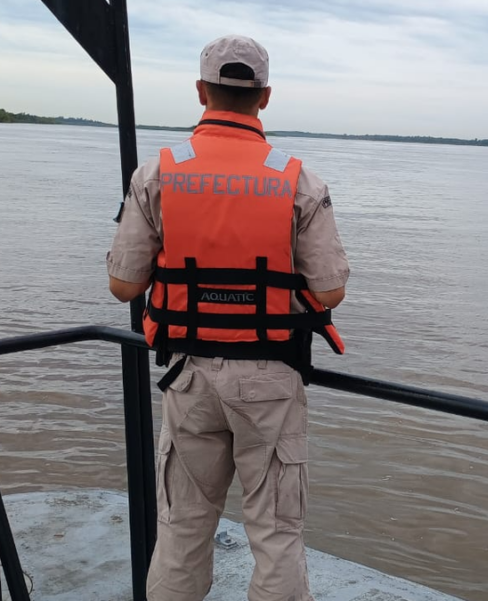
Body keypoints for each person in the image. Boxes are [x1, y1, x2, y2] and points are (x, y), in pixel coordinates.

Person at [106, 34, 349, 601]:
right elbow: (330, 290)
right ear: (264, 97)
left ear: (200, 91)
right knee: (277, 533)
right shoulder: (298, 180)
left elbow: (124, 285)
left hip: (188, 376)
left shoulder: (156, 176)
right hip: (270, 379)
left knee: (183, 529)